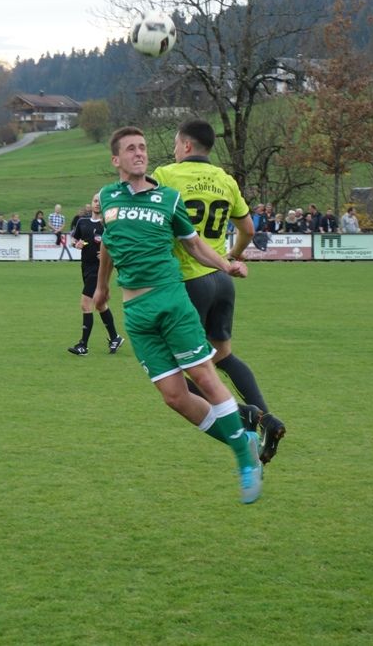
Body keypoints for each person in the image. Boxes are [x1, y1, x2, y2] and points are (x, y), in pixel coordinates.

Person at [92, 126, 262, 504]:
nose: (140, 153)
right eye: (131, 149)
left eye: (143, 147)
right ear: (116, 159)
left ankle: (244, 461)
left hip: (172, 301)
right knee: (174, 397)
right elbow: (109, 244)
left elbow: (195, 246)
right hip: (136, 312)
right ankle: (243, 440)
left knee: (204, 374)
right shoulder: (106, 198)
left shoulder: (168, 199)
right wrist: (101, 288)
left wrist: (227, 264)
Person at [153, 119, 286, 465]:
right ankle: (267, 419)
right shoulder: (226, 180)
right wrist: (233, 257)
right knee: (223, 356)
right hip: (221, 279)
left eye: (175, 144)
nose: (174, 150)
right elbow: (248, 228)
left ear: (185, 145)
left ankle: (243, 414)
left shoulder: (166, 175)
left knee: (170, 370)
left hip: (188, 281)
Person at [67, 193, 123, 356]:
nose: (98, 203)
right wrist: (76, 244)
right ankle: (115, 338)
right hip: (85, 267)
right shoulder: (82, 222)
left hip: (100, 269)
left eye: (100, 201)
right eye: (95, 201)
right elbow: (74, 239)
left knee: (86, 304)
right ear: (91, 203)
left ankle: (83, 345)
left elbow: (118, 244)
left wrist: (108, 253)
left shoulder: (108, 224)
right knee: (100, 304)